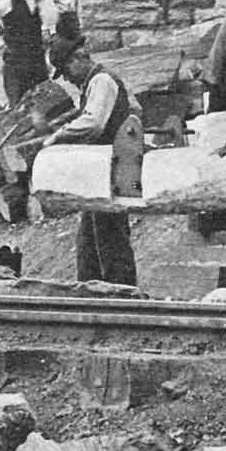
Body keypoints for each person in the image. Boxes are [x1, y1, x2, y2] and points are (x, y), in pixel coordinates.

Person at [39, 39, 142, 287]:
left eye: (67, 71)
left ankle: (121, 293)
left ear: (78, 59)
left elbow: (95, 123)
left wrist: (59, 136)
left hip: (115, 165)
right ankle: (88, 290)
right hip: (101, 167)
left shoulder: (102, 81)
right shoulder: (94, 83)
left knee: (110, 233)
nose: (68, 79)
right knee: (88, 238)